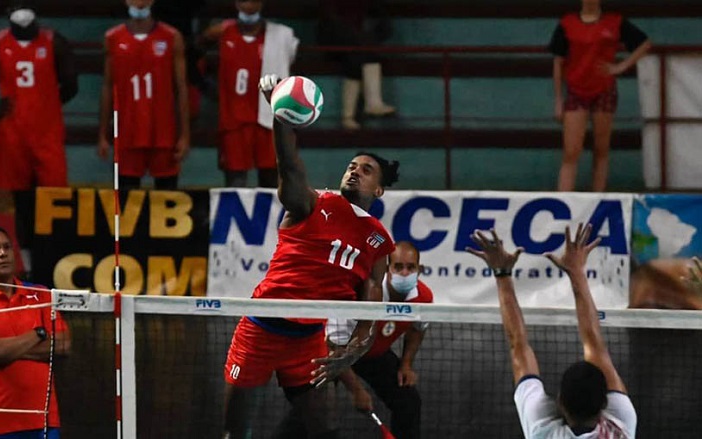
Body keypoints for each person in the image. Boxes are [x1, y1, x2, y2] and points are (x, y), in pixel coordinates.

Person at [222, 74, 399, 439]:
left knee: (325, 428)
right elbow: (288, 164)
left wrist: (357, 345)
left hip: (308, 341)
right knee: (235, 431)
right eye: (351, 165)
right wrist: (280, 116)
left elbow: (372, 292)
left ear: (378, 189)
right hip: (261, 328)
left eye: (366, 170)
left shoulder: (378, 239)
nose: (355, 170)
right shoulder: (311, 203)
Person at [466, 224, 637, 438]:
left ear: (560, 402)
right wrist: (577, 273)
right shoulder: (621, 427)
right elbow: (595, 344)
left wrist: (502, 273)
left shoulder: (542, 430)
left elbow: (518, 344)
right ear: (604, 403)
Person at [0, 5, 78, 280]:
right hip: (14, 133)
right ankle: (30, 263)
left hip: (46, 133)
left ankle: (55, 259)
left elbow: (72, 83)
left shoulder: (54, 42)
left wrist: (49, 104)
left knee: (53, 198)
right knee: (22, 201)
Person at [274, 241, 432, 439]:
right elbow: (334, 347)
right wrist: (356, 390)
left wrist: (406, 364)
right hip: (335, 354)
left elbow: (417, 329)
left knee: (408, 401)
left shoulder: (423, 298)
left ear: (420, 270)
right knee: (312, 408)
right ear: (387, 269)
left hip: (373, 354)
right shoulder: (361, 294)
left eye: (411, 268)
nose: (404, 273)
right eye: (398, 267)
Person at [0, 227, 71, 439]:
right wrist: (39, 333)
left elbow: (62, 345)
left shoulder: (41, 294)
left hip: (43, 420)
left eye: (7, 247)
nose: (2, 253)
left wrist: (5, 351)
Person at [549, 0, 651, 192]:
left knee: (601, 150)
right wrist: (558, 100)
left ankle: (597, 199)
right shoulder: (567, 23)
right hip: (576, 91)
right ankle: (564, 201)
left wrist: (620, 66)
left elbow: (644, 44)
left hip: (604, 91)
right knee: (571, 152)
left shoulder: (614, 22)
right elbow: (558, 62)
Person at [201, 0, 299, 188]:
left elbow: (290, 69)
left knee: (270, 181)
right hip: (234, 121)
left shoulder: (279, 36)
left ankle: (271, 218)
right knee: (235, 182)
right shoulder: (221, 32)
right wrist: (209, 88)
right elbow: (195, 53)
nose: (249, 6)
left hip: (267, 119)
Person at [98, 0, 190, 190]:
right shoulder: (113, 37)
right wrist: (102, 134)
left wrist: (184, 135)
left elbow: (181, 88)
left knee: (167, 195)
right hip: (127, 129)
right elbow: (108, 86)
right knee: (126, 197)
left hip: (163, 130)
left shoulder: (171, 37)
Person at [317, 0, 395, 130]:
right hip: (334, 35)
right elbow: (330, 19)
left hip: (354, 42)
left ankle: (349, 116)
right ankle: (369, 104)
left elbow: (381, 19)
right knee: (363, 52)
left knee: (359, 58)